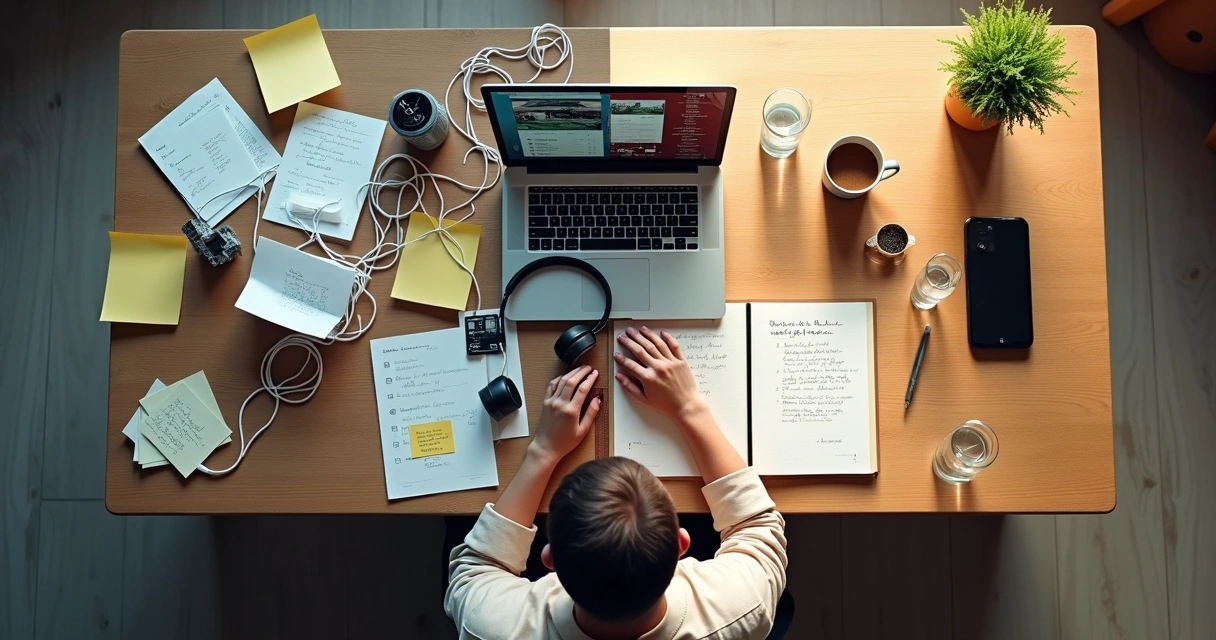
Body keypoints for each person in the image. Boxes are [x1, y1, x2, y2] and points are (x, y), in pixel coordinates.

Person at [445, 326, 788, 639]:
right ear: (681, 545)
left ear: (548, 559)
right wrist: (688, 407)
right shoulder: (744, 606)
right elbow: (757, 526)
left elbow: (474, 569)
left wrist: (543, 451)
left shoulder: (490, 625)